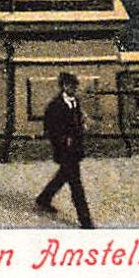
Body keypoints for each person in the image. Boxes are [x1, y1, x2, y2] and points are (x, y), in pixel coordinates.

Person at [35, 72, 94, 229]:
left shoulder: (75, 102)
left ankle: (44, 198)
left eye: (76, 86)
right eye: (71, 86)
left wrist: (83, 124)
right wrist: (63, 140)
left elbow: (77, 120)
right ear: (64, 86)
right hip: (65, 150)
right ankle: (85, 220)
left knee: (63, 176)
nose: (74, 89)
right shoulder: (55, 106)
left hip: (75, 148)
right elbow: (50, 129)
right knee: (76, 185)